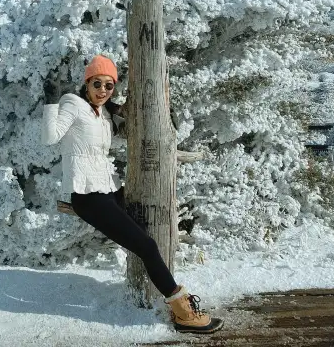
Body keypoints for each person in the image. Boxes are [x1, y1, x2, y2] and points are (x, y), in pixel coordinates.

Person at [41, 54, 223, 334]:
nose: (103, 90)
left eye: (109, 86)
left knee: (147, 223)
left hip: (108, 189)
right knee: (147, 246)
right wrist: (52, 100)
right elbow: (50, 137)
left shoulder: (101, 113)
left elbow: (121, 128)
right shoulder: (72, 104)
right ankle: (182, 312)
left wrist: (120, 110)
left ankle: (176, 301)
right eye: (97, 84)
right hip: (88, 196)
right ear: (86, 83)